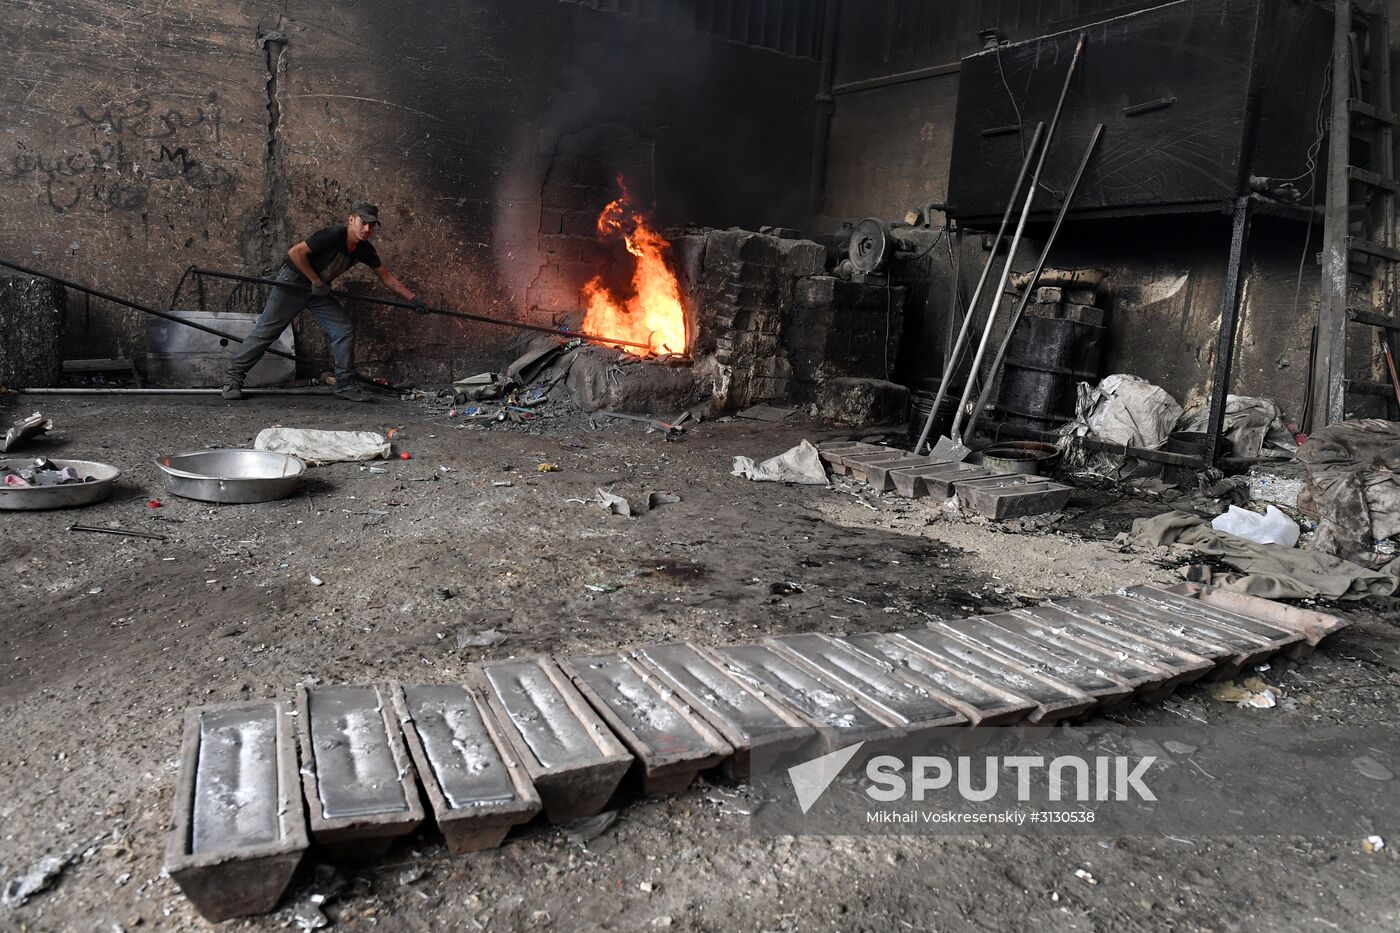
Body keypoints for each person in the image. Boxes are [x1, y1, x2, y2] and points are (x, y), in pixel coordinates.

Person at [221, 201, 427, 402]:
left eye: (371, 225)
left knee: (343, 328)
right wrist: (316, 280)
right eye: (362, 222)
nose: (366, 229)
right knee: (267, 332)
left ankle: (344, 384)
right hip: (293, 284)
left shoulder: (365, 249)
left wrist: (413, 299)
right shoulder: (333, 234)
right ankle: (232, 380)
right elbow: (295, 253)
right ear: (351, 219)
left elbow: (387, 278)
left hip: (317, 291)